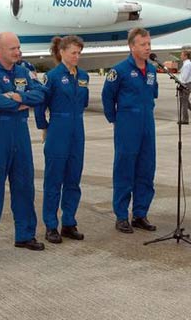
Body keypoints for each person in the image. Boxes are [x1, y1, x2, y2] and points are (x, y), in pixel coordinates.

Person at [0, 31, 48, 259]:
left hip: (20, 133)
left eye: (18, 47)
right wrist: (23, 100)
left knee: (24, 184)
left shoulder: (24, 70)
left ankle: (25, 235)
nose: (18, 52)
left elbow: (42, 93)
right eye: (12, 48)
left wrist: (18, 98)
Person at [101, 27, 159, 234]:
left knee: (146, 169)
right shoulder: (119, 70)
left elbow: (153, 94)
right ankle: (122, 216)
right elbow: (107, 97)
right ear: (132, 46)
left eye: (149, 44)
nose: (147, 48)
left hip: (147, 125)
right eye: (143, 44)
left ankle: (140, 214)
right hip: (127, 125)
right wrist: (115, 119)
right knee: (125, 170)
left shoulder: (152, 70)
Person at [34, 36, 89, 244]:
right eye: (73, 52)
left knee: (73, 179)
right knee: (54, 179)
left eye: (79, 53)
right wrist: (44, 127)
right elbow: (40, 103)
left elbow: (82, 101)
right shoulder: (52, 76)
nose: (77, 56)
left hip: (78, 129)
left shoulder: (83, 76)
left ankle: (69, 222)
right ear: (62, 52)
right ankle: (50, 225)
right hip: (58, 127)